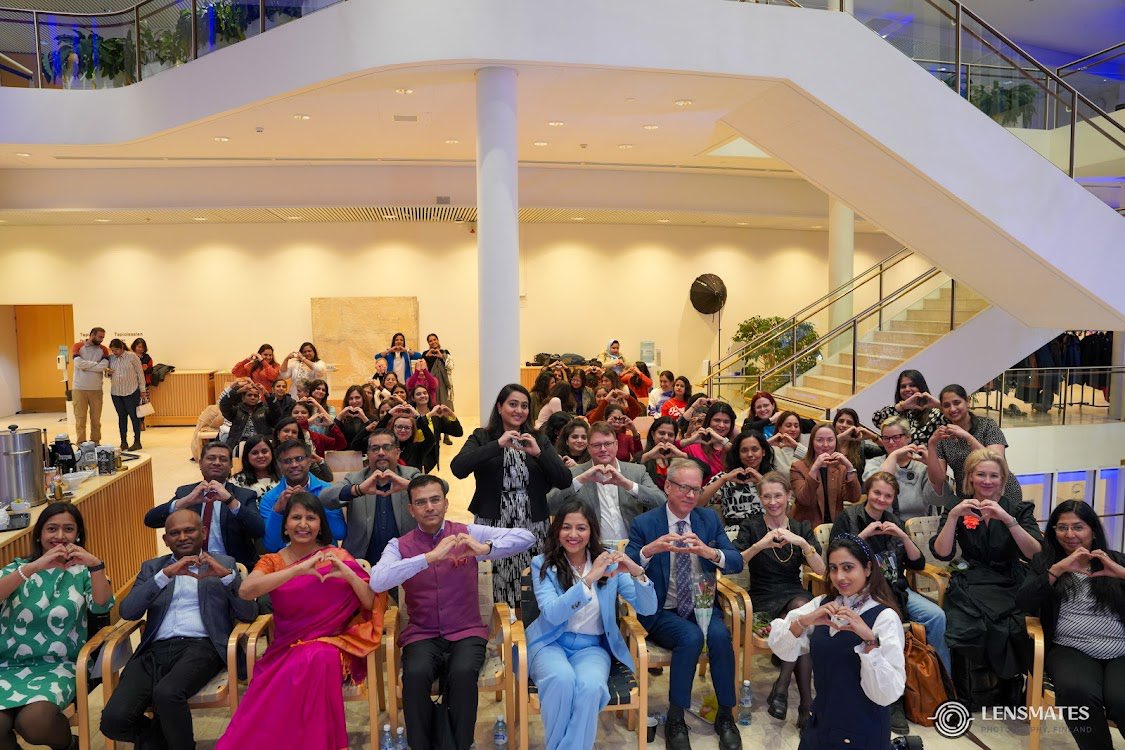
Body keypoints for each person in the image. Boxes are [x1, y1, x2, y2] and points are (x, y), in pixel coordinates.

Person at [371, 475, 535, 750]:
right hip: (421, 633)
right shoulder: (399, 545)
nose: (430, 507)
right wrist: (428, 558)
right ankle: (420, 745)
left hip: (466, 631)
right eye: (421, 502)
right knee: (414, 674)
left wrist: (487, 549)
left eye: (435, 500)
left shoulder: (467, 533)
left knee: (462, 674)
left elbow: (526, 537)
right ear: (411, 510)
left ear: (446, 503)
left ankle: (461, 744)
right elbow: (377, 580)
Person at [219, 493, 383, 750]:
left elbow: (370, 603)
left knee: (317, 657)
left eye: (310, 518)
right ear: (285, 525)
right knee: (298, 665)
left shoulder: (336, 554)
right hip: (285, 647)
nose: (303, 524)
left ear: (320, 525)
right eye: (296, 517)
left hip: (335, 643)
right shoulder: (272, 560)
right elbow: (246, 591)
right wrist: (298, 569)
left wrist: (349, 573)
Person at [101, 510, 257, 750]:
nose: (182, 537)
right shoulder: (154, 568)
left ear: (203, 533)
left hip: (201, 647)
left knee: (167, 693)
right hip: (153, 650)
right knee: (114, 720)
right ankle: (159, 741)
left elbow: (248, 613)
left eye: (189, 530)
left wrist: (226, 577)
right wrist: (164, 576)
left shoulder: (224, 563)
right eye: (174, 533)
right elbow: (129, 612)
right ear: (165, 540)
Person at [626, 459, 744, 750]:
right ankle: (676, 718)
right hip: (661, 610)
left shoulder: (708, 520)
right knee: (690, 637)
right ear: (667, 487)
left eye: (696, 489)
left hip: (701, 606)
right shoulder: (646, 523)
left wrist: (709, 552)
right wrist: (649, 551)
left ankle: (726, 715)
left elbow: (736, 561)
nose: (691, 495)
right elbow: (625, 566)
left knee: (719, 636)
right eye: (683, 488)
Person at [528, 500, 658, 750]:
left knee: (590, 687)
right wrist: (589, 579)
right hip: (549, 642)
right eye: (566, 527)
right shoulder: (542, 563)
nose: (573, 535)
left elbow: (648, 608)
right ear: (557, 531)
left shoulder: (609, 563)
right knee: (561, 679)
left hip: (592, 647)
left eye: (581, 528)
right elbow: (553, 614)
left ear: (592, 531)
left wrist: (635, 571)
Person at [830, 472, 950, 730]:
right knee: (886, 623)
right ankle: (891, 700)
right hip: (864, 593)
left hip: (897, 589)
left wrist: (903, 535)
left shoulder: (893, 520)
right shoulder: (848, 519)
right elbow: (836, 556)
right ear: (867, 492)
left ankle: (940, 685)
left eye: (887, 495)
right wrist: (862, 536)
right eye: (877, 493)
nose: (881, 499)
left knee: (936, 616)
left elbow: (917, 562)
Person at [768, 535, 906, 749]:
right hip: (821, 722)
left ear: (868, 568)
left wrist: (869, 640)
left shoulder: (884, 617)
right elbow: (780, 646)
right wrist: (804, 621)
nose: (839, 576)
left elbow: (886, 694)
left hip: (863, 730)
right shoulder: (822, 604)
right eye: (833, 568)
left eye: (848, 567)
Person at [930, 448, 1042, 709]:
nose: (987, 481)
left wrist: (1008, 521)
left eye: (994, 476)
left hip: (1010, 577)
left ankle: (1010, 685)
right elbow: (942, 552)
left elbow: (1035, 554)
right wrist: (954, 516)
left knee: (1013, 624)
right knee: (966, 623)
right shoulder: (958, 506)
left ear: (1003, 480)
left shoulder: (1018, 509)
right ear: (970, 477)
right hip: (973, 577)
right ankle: (975, 691)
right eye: (981, 474)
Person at [0, 503, 113, 750]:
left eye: (68, 529)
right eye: (52, 529)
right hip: (6, 666)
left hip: (59, 665)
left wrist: (95, 564)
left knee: (34, 723)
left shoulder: (83, 572)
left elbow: (102, 606)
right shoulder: (17, 570)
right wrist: (35, 567)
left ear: (78, 535)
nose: (60, 536)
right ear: (39, 535)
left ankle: (70, 746)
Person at [1016, 501, 1125, 750]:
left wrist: (1120, 573)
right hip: (1070, 648)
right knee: (1078, 692)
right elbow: (1024, 602)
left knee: (1122, 698)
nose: (1070, 535)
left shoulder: (1116, 560)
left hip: (1120, 649)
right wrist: (1057, 570)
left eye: (1078, 527)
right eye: (1062, 527)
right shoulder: (1047, 564)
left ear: (1093, 530)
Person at [451, 384, 571, 607]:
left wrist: (539, 453)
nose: (519, 410)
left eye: (524, 406)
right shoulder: (483, 436)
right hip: (494, 521)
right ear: (499, 407)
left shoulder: (538, 439)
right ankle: (501, 630)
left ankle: (530, 627)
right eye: (513, 404)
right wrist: (497, 445)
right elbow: (458, 468)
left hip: (532, 522)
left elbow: (564, 480)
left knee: (532, 578)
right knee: (496, 577)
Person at [733, 472, 823, 728]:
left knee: (799, 612)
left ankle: (783, 688)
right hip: (763, 595)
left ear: (789, 496)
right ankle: (805, 705)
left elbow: (822, 569)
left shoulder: (802, 527)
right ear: (760, 498)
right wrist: (759, 545)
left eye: (778, 496)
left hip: (794, 593)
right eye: (767, 496)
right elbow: (736, 564)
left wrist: (803, 543)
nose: (773, 502)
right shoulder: (750, 526)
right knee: (801, 625)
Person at [145, 440, 264, 570]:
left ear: (230, 466)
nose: (217, 462)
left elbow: (258, 530)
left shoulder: (243, 495)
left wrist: (230, 501)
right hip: (191, 566)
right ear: (200, 463)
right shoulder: (186, 493)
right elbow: (150, 520)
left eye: (223, 459)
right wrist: (186, 501)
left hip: (233, 567)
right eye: (211, 458)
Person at [547, 421, 667, 542]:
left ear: (616, 445)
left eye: (607, 444)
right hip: (591, 549)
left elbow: (661, 501)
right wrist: (580, 480)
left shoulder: (636, 471)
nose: (603, 449)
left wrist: (627, 484)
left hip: (632, 547)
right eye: (597, 445)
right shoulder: (574, 474)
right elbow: (549, 505)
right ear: (588, 448)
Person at [320, 429, 421, 566]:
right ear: (368, 454)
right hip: (362, 561)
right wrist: (358, 490)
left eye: (386, 447)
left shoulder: (411, 474)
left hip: (405, 560)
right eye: (375, 448)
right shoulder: (355, 478)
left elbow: (442, 487)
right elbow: (325, 498)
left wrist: (409, 486)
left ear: (397, 452)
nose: (381, 452)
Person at [926, 383, 1024, 503]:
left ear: (967, 401)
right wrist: (931, 445)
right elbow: (938, 480)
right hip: (970, 498)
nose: (952, 409)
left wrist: (967, 437)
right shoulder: (943, 436)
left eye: (957, 403)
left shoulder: (987, 425)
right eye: (946, 405)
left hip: (1002, 494)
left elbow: (996, 460)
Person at [259, 440, 347, 553]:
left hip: (324, 558)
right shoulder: (270, 498)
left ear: (309, 461)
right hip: (288, 562)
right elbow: (271, 545)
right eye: (287, 461)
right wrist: (278, 511)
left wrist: (314, 504)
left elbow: (339, 533)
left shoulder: (327, 491)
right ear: (279, 466)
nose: (294, 465)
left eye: (299, 459)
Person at [869, 416, 947, 520]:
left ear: (908, 437)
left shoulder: (921, 466)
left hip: (918, 528)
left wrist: (931, 464)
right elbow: (880, 486)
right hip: (883, 526)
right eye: (886, 438)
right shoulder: (874, 463)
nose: (891, 442)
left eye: (896, 437)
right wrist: (894, 455)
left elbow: (939, 499)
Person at [699, 430, 775, 531]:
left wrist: (762, 481)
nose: (750, 454)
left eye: (755, 449)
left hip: (767, 531)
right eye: (744, 450)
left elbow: (784, 506)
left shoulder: (773, 477)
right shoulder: (725, 477)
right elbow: (697, 502)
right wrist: (723, 479)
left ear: (763, 452)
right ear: (738, 454)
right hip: (734, 533)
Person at [789, 423, 861, 528]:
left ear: (836, 442)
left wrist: (850, 468)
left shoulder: (841, 468)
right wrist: (814, 468)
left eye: (830, 440)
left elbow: (854, 498)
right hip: (806, 529)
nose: (826, 445)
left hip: (835, 527)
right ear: (812, 443)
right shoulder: (797, 467)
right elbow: (805, 499)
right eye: (820, 440)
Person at [872, 369, 943, 445]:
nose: (907, 389)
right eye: (903, 386)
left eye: (912, 385)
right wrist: (904, 405)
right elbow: (877, 419)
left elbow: (953, 419)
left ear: (921, 387)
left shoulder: (935, 413)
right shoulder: (898, 412)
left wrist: (938, 404)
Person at [107, 338, 148, 450]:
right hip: (116, 392)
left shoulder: (132, 356)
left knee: (134, 417)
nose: (114, 352)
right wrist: (108, 373)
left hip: (131, 391)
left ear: (121, 348)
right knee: (121, 417)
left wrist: (142, 390)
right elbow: (108, 374)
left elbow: (140, 373)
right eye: (112, 350)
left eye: (116, 350)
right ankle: (123, 442)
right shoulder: (111, 358)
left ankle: (137, 442)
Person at [411, 385, 462, 472]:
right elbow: (417, 425)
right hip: (413, 456)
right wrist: (430, 414)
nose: (423, 395)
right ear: (413, 398)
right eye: (418, 394)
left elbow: (458, 432)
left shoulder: (436, 416)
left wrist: (451, 415)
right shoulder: (410, 413)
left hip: (430, 459)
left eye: (425, 393)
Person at [72, 326, 109, 444]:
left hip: (96, 390)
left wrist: (86, 367)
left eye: (103, 337)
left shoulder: (104, 349)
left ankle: (96, 442)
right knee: (80, 419)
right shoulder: (77, 346)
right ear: (92, 335)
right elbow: (78, 364)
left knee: (96, 420)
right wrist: (95, 365)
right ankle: (81, 444)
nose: (101, 339)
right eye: (99, 337)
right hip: (79, 389)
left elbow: (103, 366)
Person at [273, 415, 335, 483]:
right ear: (278, 434)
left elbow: (328, 478)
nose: (290, 435)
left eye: (294, 432)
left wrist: (320, 461)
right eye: (286, 431)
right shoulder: (270, 454)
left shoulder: (304, 455)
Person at [682, 401, 736, 480]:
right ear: (709, 421)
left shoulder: (735, 447)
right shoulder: (694, 447)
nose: (721, 425)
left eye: (726, 422)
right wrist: (688, 438)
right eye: (717, 420)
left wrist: (722, 441)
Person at [218, 379, 271, 449]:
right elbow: (224, 405)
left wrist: (267, 394)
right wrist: (237, 391)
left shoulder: (265, 410)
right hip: (239, 443)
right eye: (249, 395)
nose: (253, 397)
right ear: (243, 398)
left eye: (255, 396)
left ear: (259, 398)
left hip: (260, 443)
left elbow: (277, 413)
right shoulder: (236, 410)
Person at [639, 416, 688, 491]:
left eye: (670, 435)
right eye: (661, 433)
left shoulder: (679, 458)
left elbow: (705, 470)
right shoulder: (643, 457)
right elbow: (630, 477)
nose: (666, 438)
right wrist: (646, 457)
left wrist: (683, 455)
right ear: (653, 434)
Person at [831, 408, 883, 478]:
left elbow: (886, 451)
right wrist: (840, 438)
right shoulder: (826, 444)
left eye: (849, 423)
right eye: (841, 421)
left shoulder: (860, 446)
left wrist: (874, 437)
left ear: (855, 427)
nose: (844, 425)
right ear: (835, 424)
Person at [740, 391, 814, 438]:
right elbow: (745, 430)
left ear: (773, 406)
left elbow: (812, 425)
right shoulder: (750, 423)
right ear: (754, 409)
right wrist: (770, 420)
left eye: (766, 405)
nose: (763, 409)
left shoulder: (783, 420)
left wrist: (789, 418)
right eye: (759, 407)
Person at [231, 435, 280, 500]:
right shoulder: (236, 481)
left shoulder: (283, 478)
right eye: (255, 453)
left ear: (271, 453)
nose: (260, 456)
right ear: (247, 457)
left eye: (264, 452)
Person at [767, 410, 808, 477]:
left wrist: (796, 446)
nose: (793, 429)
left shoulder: (802, 449)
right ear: (779, 428)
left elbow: (812, 461)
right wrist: (768, 443)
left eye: (796, 426)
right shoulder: (773, 449)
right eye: (788, 426)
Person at [336, 384, 376, 450]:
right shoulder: (343, 419)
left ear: (363, 399)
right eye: (351, 398)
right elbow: (333, 436)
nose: (354, 401)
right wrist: (339, 416)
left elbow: (375, 436)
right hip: (347, 455)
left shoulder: (373, 417)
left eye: (357, 397)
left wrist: (364, 418)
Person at [131, 337, 153, 431]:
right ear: (134, 346)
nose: (140, 349)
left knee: (143, 405)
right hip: (131, 384)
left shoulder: (147, 357)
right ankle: (135, 422)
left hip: (144, 384)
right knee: (133, 404)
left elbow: (151, 369)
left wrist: (146, 369)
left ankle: (141, 422)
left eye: (142, 347)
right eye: (139, 347)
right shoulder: (130, 356)